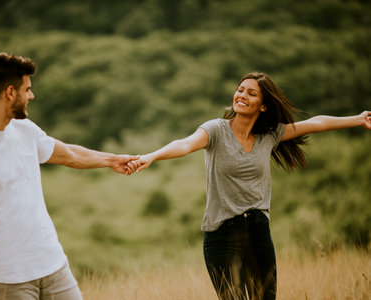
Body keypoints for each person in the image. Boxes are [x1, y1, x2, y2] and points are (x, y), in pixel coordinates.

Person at [133, 72, 371, 299]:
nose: (242, 96)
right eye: (240, 90)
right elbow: (184, 144)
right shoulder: (216, 130)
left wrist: (358, 119)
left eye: (251, 93)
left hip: (258, 231)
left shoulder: (270, 135)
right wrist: (151, 156)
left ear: (263, 105)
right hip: (221, 235)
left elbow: (315, 123)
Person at [0, 52, 138, 300]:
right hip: (8, 280)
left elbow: (69, 154)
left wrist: (112, 160)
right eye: (28, 89)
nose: (32, 96)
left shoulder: (24, 130)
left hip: (54, 266)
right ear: (10, 93)